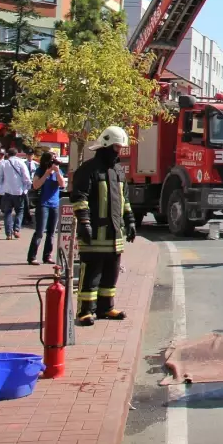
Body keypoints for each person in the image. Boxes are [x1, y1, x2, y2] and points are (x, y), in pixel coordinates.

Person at [71, 126, 136, 326]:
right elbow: (79, 198)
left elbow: (124, 199)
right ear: (106, 145)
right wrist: (84, 222)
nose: (118, 151)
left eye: (120, 147)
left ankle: (106, 308)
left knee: (111, 274)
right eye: (116, 147)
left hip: (114, 235)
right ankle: (85, 311)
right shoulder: (88, 170)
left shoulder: (118, 172)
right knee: (91, 273)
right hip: (94, 234)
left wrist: (130, 220)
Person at [27, 152, 66, 266]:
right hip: (43, 204)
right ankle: (32, 257)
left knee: (51, 232)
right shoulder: (40, 171)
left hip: (55, 204)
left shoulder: (58, 171)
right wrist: (47, 173)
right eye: (52, 160)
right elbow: (35, 185)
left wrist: (57, 171)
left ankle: (47, 256)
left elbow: (62, 184)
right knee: (39, 232)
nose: (54, 162)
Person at [0, 144, 32, 240]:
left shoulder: (4, 163)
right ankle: (16, 230)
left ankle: (8, 234)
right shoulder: (21, 163)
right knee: (19, 211)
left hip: (7, 191)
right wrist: (26, 188)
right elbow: (26, 177)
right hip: (19, 191)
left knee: (7, 212)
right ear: (16, 154)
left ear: (8, 154)